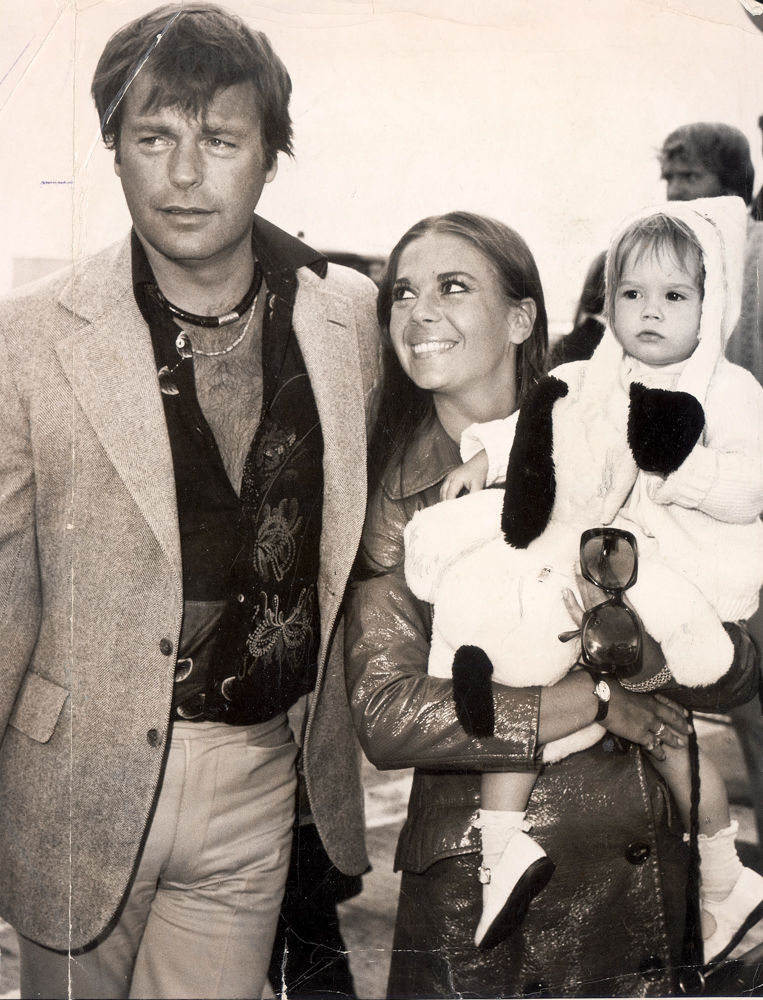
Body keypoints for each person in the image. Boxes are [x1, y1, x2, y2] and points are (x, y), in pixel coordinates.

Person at [0, 5, 380, 998]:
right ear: (112, 152)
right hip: (74, 781)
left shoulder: (348, 319)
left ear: (269, 155)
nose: (181, 175)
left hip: (258, 772)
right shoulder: (28, 337)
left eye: (218, 140)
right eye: (151, 137)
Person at [345, 210, 760, 997]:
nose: (418, 312)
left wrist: (644, 656)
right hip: (481, 898)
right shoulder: (394, 494)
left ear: (521, 316)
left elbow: (736, 668)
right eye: (401, 293)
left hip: (640, 875)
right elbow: (387, 714)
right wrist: (592, 701)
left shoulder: (610, 420)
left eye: (452, 287)